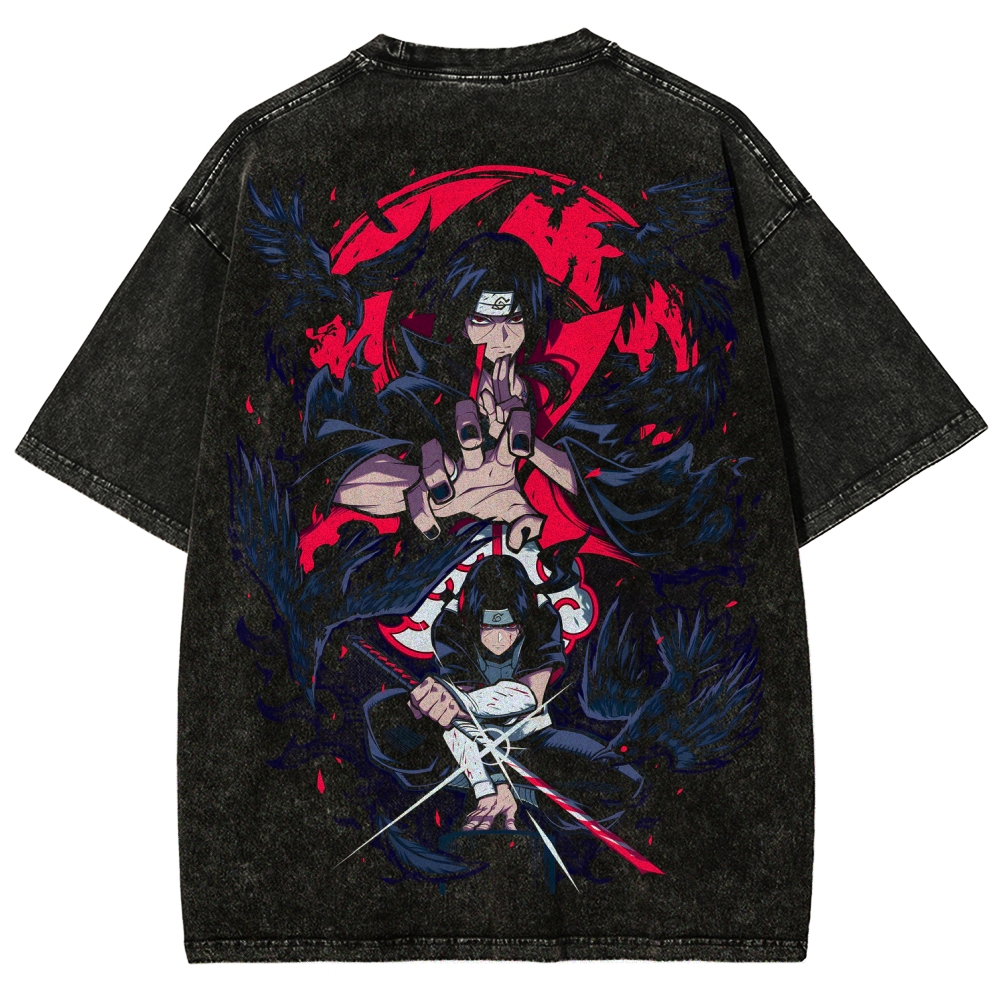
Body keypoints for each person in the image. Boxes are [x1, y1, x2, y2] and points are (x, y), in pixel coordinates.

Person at [333, 233, 577, 550]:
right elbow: (343, 476)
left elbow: (589, 478)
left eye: (514, 319)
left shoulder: (544, 388)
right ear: (462, 322)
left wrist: (529, 448)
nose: (502, 337)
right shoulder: (425, 388)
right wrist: (427, 486)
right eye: (483, 320)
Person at [364, 556, 642, 833]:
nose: (499, 639)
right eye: (488, 626)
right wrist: (487, 788)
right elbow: (463, 725)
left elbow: (530, 696)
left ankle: (527, 792)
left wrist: (462, 702)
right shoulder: (451, 623)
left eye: (510, 627)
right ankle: (515, 787)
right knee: (386, 712)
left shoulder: (542, 616)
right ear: (473, 620)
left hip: (531, 741)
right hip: (467, 753)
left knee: (621, 779)